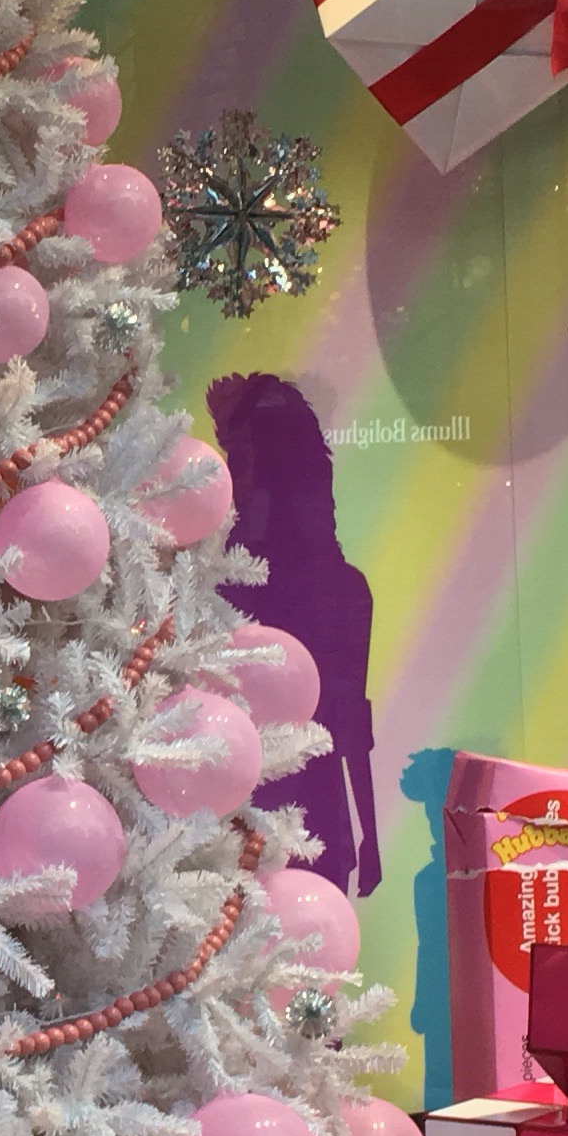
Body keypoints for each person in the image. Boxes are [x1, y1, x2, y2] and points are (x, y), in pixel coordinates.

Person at [206, 375, 381, 896]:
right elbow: (352, 724)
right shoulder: (343, 587)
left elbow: (350, 720)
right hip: (305, 825)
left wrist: (369, 835)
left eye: (239, 461)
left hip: (245, 821)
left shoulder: (222, 588)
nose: (230, 479)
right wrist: (368, 835)